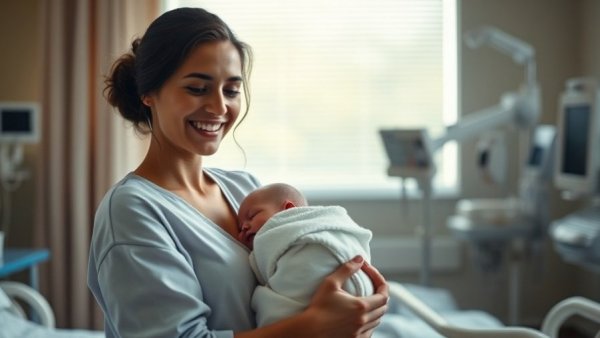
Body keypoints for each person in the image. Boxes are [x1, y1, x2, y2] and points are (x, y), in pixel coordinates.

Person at [87, 7, 388, 338]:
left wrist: (355, 301)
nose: (218, 107)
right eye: (197, 88)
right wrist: (313, 327)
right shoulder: (132, 210)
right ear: (149, 93)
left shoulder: (246, 188)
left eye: (231, 90)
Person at [237, 183, 375, 327]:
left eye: (252, 216)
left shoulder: (314, 235)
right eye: (240, 228)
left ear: (289, 210)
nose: (244, 226)